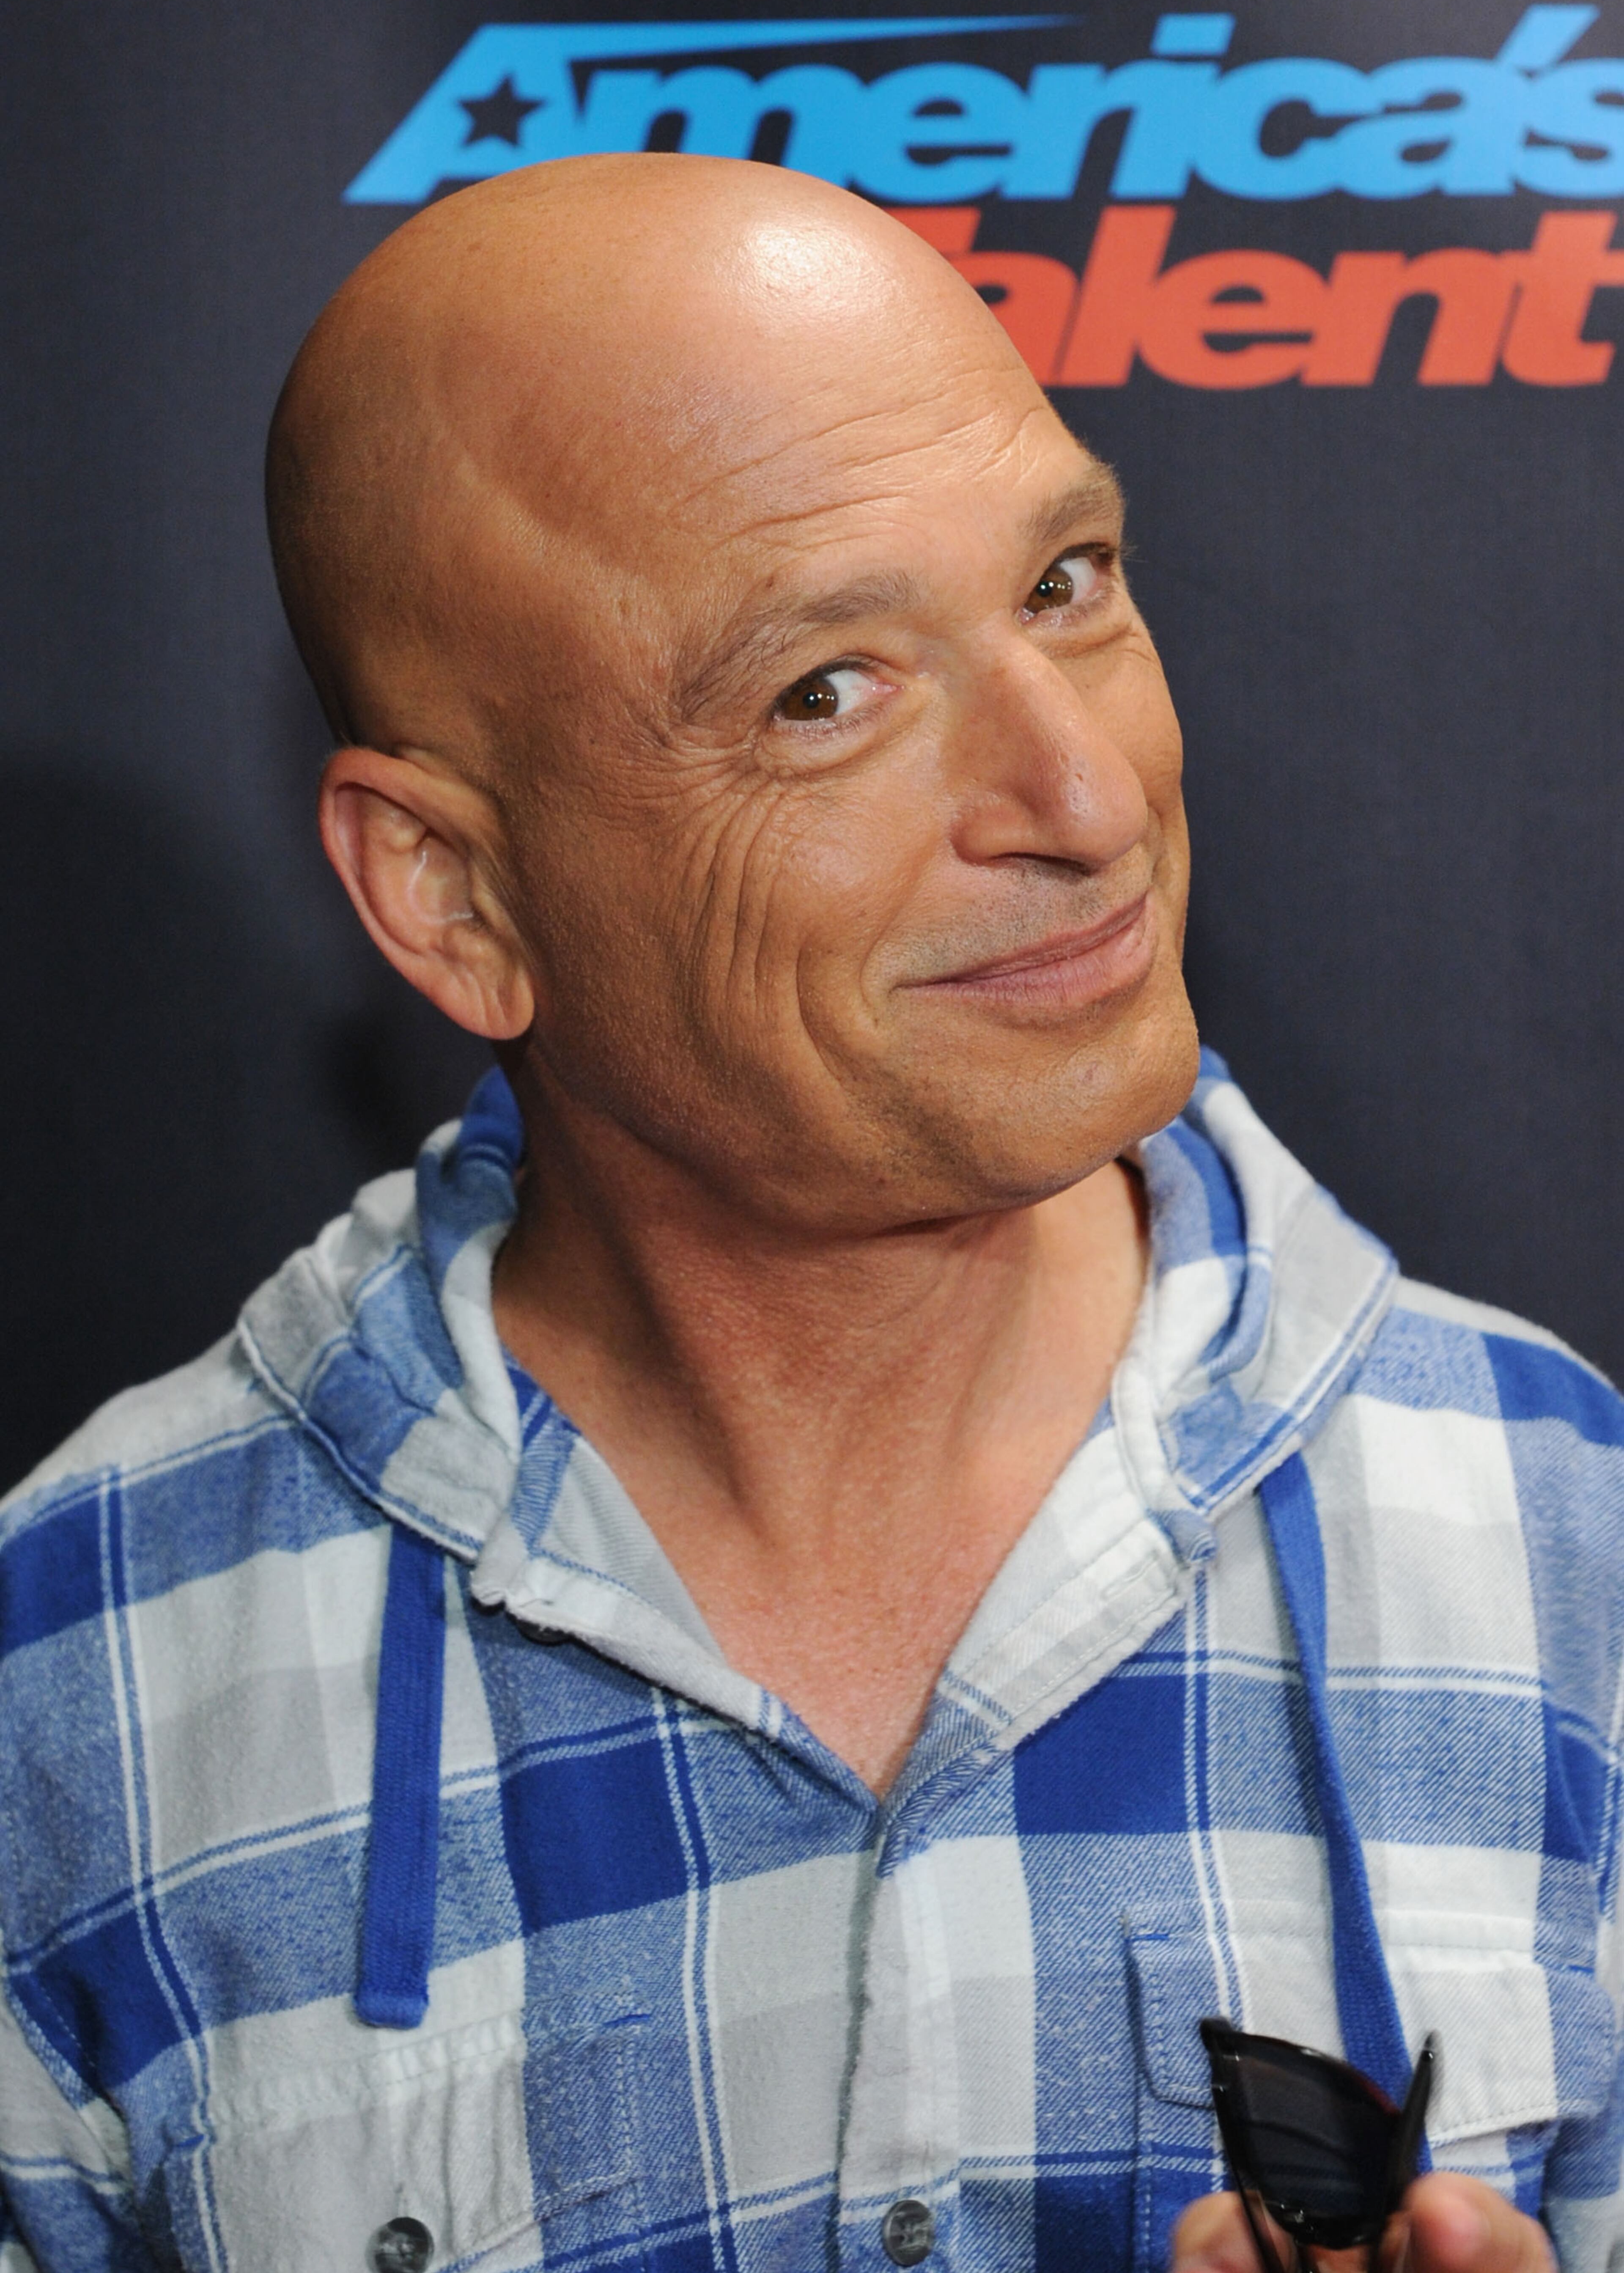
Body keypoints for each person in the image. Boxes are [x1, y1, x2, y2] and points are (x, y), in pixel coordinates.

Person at [0, 153, 1613, 2273]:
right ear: (456, 893)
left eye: (1067, 582)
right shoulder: (73, 1680)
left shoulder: (1572, 1548)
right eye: (824, 692)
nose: (1087, 796)